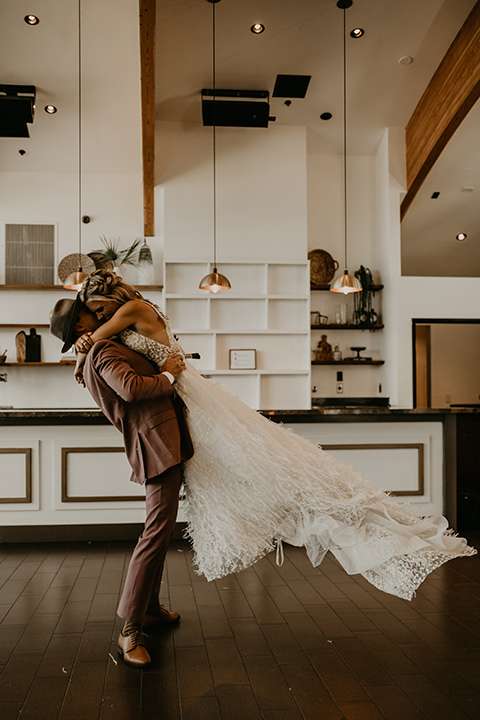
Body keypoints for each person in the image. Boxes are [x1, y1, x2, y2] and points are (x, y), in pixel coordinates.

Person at [65, 270, 476, 604]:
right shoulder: (131, 316)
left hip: (183, 391)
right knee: (244, 468)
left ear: (109, 298)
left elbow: (101, 343)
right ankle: (149, 606)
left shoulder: (131, 309)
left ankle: (356, 522)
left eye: (98, 310)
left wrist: (83, 349)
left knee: (261, 464)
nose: (99, 318)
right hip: (181, 397)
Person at [49, 296, 193, 668]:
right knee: (154, 533)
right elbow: (130, 389)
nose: (100, 315)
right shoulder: (103, 352)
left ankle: (150, 609)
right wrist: (169, 375)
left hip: (163, 438)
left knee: (160, 531)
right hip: (155, 443)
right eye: (91, 314)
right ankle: (130, 630)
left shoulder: (106, 345)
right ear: (81, 325)